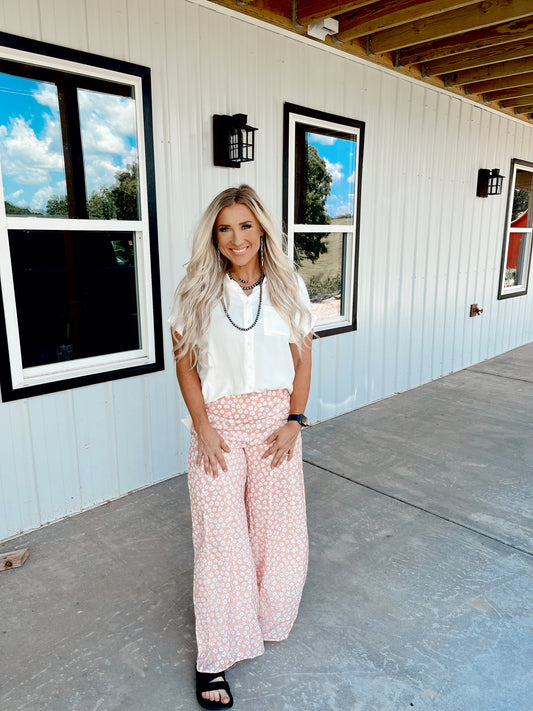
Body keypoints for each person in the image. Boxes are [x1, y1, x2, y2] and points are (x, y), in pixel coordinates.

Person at [169, 184, 315, 709]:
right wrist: (203, 426)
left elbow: (303, 358)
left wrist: (296, 421)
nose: (236, 238)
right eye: (225, 228)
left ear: (262, 230)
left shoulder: (288, 285)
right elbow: (185, 365)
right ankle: (215, 656)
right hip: (220, 429)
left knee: (276, 531)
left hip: (276, 424)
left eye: (246, 226)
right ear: (215, 234)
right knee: (221, 540)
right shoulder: (197, 290)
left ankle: (263, 618)